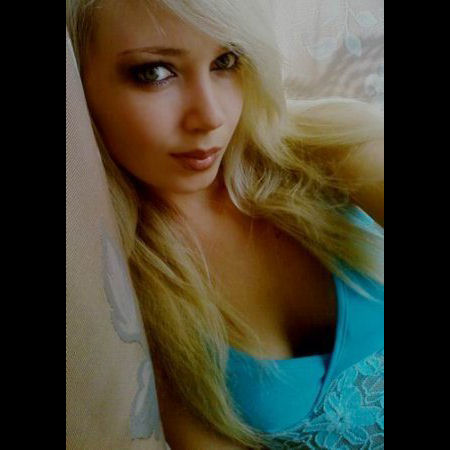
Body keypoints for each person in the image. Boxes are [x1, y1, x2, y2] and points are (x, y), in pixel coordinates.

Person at [66, 0, 384, 448]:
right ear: (79, 85)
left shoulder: (328, 149)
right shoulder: (126, 298)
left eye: (226, 61)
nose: (211, 116)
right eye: (155, 72)